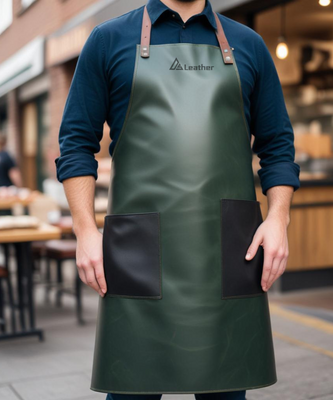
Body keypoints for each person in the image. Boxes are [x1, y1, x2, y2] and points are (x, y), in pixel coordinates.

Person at [55, 0, 300, 399]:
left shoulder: (248, 44)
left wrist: (278, 219)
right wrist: (85, 230)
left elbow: (277, 145)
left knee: (226, 390)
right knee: (132, 389)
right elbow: (76, 144)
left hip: (228, 252)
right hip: (139, 254)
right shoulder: (108, 40)